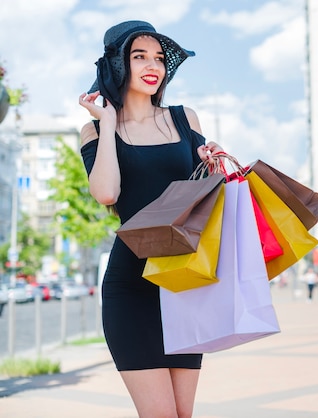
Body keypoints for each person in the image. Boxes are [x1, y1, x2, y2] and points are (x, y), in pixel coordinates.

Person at [78, 20, 222, 417]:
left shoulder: (184, 119)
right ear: (118, 66)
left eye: (158, 57)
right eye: (139, 56)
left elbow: (204, 197)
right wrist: (107, 123)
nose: (152, 65)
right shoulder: (94, 132)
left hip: (183, 280)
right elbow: (106, 193)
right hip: (132, 288)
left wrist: (213, 165)